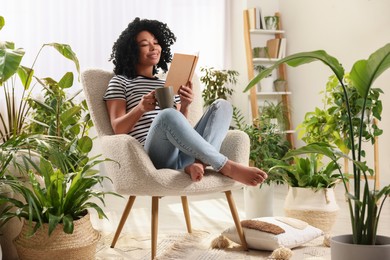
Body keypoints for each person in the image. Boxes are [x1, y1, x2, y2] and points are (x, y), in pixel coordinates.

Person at [103, 17, 267, 186]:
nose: (153, 47)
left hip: (181, 152)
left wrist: (185, 105)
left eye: (156, 42)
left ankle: (197, 164)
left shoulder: (167, 83)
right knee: (167, 115)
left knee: (222, 106)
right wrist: (140, 108)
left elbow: (181, 128)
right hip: (154, 155)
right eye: (145, 44)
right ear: (131, 50)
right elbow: (117, 128)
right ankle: (226, 165)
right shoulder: (120, 82)